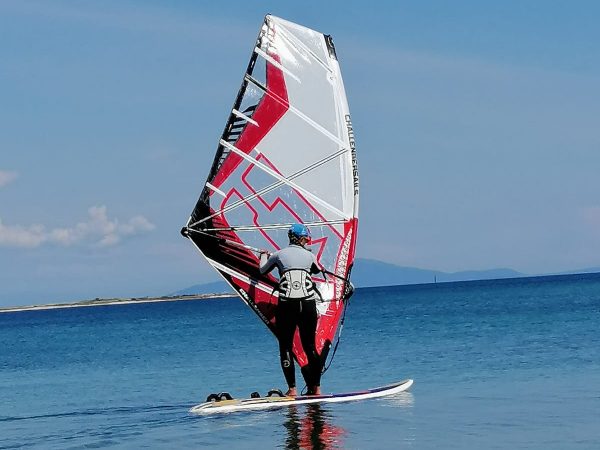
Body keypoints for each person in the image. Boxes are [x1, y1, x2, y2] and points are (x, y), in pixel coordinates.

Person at [259, 223, 323, 396]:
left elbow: (262, 270)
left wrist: (263, 255)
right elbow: (317, 270)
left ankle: (293, 389)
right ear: (302, 239)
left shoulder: (278, 255)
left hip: (288, 305)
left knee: (286, 347)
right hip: (308, 304)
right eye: (306, 238)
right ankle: (316, 388)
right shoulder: (310, 255)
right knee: (310, 346)